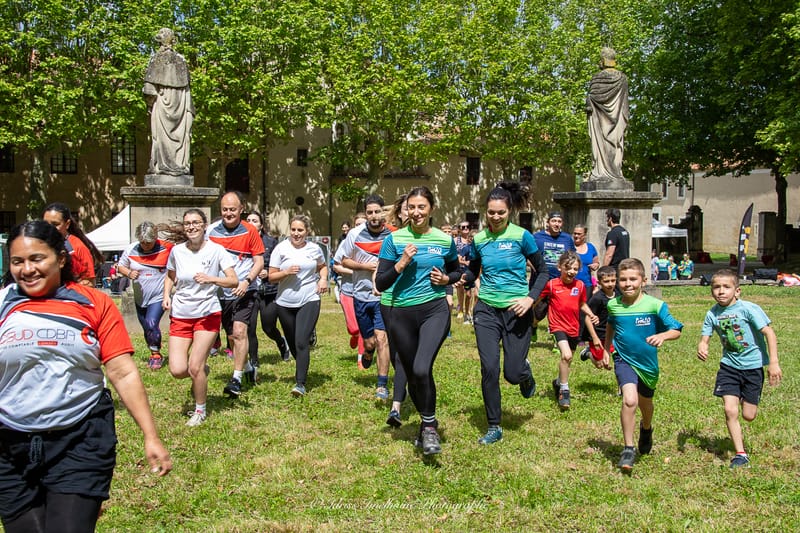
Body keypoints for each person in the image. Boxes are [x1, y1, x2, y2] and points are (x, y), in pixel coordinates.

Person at [0, 221, 171, 532]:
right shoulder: (3, 304)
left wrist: (151, 435)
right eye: (17, 261)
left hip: (80, 438)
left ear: (61, 259)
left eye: (37, 259)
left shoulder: (94, 302)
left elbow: (121, 371)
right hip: (10, 446)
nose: (27, 269)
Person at [375, 186, 461, 455]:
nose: (416, 212)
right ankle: (426, 424)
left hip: (434, 310)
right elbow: (381, 282)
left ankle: (430, 427)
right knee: (412, 374)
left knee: (422, 368)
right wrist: (401, 263)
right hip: (401, 313)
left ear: (431, 208)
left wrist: (446, 279)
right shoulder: (394, 240)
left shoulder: (444, 240)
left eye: (421, 207)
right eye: (411, 207)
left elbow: (456, 271)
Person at [464, 182, 549, 444]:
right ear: (485, 211)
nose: (496, 217)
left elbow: (543, 272)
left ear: (509, 211)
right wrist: (457, 278)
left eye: (501, 212)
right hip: (486, 310)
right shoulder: (479, 240)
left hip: (517, 312)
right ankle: (494, 426)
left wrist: (529, 299)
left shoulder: (522, 236)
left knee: (511, 373)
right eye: (491, 212)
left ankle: (524, 372)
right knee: (489, 368)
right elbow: (472, 271)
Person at [696, 269, 782, 468]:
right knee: (729, 410)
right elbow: (705, 337)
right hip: (729, 367)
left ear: (737, 291)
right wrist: (703, 345)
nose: (721, 291)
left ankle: (745, 396)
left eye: (726, 287)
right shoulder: (712, 313)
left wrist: (773, 362)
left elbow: (769, 333)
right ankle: (740, 454)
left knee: (748, 415)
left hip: (753, 367)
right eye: (716, 287)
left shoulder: (748, 309)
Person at [605, 258, 683, 472]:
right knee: (630, 400)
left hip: (648, 365)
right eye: (623, 280)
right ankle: (628, 448)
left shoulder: (655, 305)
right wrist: (605, 349)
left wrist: (663, 336)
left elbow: (676, 329)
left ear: (643, 281)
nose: (627, 284)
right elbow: (611, 325)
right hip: (623, 359)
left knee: (645, 403)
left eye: (633, 279)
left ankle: (646, 428)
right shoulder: (613, 305)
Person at [163, 209, 238, 426]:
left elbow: (233, 280)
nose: (192, 227)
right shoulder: (177, 251)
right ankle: (202, 373)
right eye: (187, 223)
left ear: (204, 226)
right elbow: (170, 276)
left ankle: (200, 410)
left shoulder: (216, 250)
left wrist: (211, 279)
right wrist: (166, 295)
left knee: (194, 365)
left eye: (196, 222)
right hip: (181, 314)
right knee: (178, 370)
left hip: (207, 313)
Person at [206, 191, 265, 399]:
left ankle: (236, 379)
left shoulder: (250, 231)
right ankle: (248, 367)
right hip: (222, 292)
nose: (228, 213)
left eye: (232, 209)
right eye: (224, 209)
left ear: (241, 209)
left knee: (240, 332)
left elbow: (259, 262)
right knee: (231, 336)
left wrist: (246, 281)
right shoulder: (211, 231)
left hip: (246, 290)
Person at [335, 195, 393, 399]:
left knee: (382, 338)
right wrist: (365, 267)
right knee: (369, 343)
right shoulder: (355, 234)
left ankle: (382, 384)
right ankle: (368, 352)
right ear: (365, 214)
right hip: (360, 294)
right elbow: (344, 261)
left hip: (384, 296)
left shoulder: (392, 234)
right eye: (370, 212)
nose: (374, 215)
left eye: (377, 211)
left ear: (383, 212)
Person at [269, 215, 328, 397]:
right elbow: (271, 277)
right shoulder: (281, 248)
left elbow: (322, 266)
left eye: (300, 230)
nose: (296, 233)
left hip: (309, 298)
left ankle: (300, 383)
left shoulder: (314, 248)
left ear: (307, 231)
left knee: (301, 341)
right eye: (293, 230)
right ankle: (302, 364)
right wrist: (285, 272)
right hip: (285, 302)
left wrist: (323, 279)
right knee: (294, 343)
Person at [534, 251, 599, 411]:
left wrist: (591, 314)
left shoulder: (580, 286)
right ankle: (564, 390)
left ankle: (558, 382)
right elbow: (537, 299)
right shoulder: (551, 285)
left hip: (573, 328)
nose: (571, 271)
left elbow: (582, 304)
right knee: (566, 355)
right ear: (559, 267)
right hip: (557, 326)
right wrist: (527, 308)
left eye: (575, 269)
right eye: (568, 267)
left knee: (568, 360)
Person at [116, 221, 174, 370]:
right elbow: (120, 266)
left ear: (155, 238)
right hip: (140, 297)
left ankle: (156, 355)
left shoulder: (167, 248)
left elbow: (177, 265)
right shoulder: (131, 249)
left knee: (151, 322)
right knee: (147, 327)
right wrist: (129, 273)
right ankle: (153, 348)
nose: (145, 245)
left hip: (159, 295)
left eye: (149, 242)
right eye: (142, 242)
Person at [142, 27, 195, 176]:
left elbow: (149, 90)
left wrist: (150, 103)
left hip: (162, 105)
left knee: (160, 137)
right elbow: (187, 90)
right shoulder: (181, 61)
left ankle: (162, 166)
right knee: (180, 136)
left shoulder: (156, 60)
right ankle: (179, 164)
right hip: (181, 105)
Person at [245, 211, 290, 366]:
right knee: (249, 328)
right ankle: (254, 360)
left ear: (261, 225)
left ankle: (281, 342)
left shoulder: (271, 242)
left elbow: (280, 264)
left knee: (268, 327)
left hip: (268, 291)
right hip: (249, 291)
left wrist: (268, 272)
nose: (251, 223)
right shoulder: (241, 241)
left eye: (254, 220)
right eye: (248, 220)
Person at [586, 47, 629, 182]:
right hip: (617, 123)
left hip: (599, 122)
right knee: (615, 146)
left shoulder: (597, 79)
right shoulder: (622, 79)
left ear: (603, 60)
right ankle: (615, 170)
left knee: (600, 145)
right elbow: (624, 106)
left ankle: (601, 171)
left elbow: (591, 99)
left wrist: (589, 102)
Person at [531, 212, 576, 339]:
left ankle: (558, 339)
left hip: (560, 282)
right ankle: (533, 325)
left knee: (559, 311)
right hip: (541, 281)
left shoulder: (567, 239)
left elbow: (572, 257)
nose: (556, 224)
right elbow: (528, 255)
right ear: (548, 222)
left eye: (559, 221)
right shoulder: (537, 237)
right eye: (554, 221)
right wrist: (533, 267)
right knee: (538, 312)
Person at [333, 212, 368, 369]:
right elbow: (336, 266)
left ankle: (361, 359)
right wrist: (355, 271)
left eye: (363, 224)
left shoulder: (373, 243)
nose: (360, 227)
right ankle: (353, 335)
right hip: (347, 290)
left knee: (362, 326)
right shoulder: (347, 242)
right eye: (357, 224)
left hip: (365, 292)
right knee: (354, 328)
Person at [42, 202, 103, 286]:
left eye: (55, 224)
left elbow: (89, 283)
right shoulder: (38, 244)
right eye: (45, 224)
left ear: (67, 224)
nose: (49, 228)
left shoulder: (78, 247)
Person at [580, 265, 616, 366]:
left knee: (610, 353)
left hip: (612, 333)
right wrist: (594, 337)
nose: (610, 284)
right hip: (598, 334)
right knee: (599, 364)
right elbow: (587, 317)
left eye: (613, 280)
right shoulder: (597, 298)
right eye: (606, 281)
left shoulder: (619, 295)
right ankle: (588, 353)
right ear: (599, 283)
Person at [572, 223, 599, 296]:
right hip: (571, 284)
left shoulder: (591, 247)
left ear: (585, 235)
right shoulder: (569, 246)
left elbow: (596, 263)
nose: (576, 236)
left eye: (579, 234)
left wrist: (596, 265)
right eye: (575, 233)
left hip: (587, 285)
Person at [454, 221, 473, 322]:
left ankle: (468, 310)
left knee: (469, 291)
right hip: (459, 268)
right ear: (459, 229)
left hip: (470, 269)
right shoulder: (455, 240)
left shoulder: (473, 240)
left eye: (467, 226)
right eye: (463, 227)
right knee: (460, 288)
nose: (466, 228)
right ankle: (461, 309)